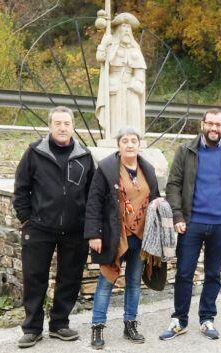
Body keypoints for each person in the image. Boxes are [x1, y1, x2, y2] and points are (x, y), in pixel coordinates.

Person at [159, 108, 221, 341]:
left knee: (213, 275)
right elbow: (173, 185)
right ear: (202, 124)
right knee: (184, 273)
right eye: (210, 123)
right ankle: (179, 319)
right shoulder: (186, 150)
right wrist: (177, 217)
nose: (214, 128)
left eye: (218, 125)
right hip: (191, 225)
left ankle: (207, 319)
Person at [12, 106, 95, 348]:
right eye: (57, 123)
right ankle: (32, 328)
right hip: (39, 228)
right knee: (34, 278)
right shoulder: (34, 152)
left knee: (69, 278)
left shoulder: (85, 155)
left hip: (75, 229)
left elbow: (93, 194)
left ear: (73, 126)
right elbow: (21, 189)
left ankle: (59, 324)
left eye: (66, 123)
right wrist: (26, 219)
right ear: (49, 126)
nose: (62, 127)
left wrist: (88, 225)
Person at [84, 128, 160, 349]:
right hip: (113, 235)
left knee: (134, 283)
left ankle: (130, 324)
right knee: (105, 282)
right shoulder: (106, 168)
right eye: (125, 141)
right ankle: (97, 328)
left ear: (139, 144)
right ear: (118, 145)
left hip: (141, 237)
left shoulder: (148, 169)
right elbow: (94, 202)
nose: (129, 144)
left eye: (133, 140)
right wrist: (94, 234)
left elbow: (154, 200)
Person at [96, 12, 147, 136]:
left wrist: (136, 82)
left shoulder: (135, 48)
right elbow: (101, 58)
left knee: (132, 115)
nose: (126, 30)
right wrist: (103, 44)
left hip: (131, 87)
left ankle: (133, 139)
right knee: (116, 115)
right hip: (115, 86)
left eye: (128, 27)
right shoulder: (111, 45)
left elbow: (139, 71)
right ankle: (114, 138)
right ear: (118, 29)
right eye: (123, 27)